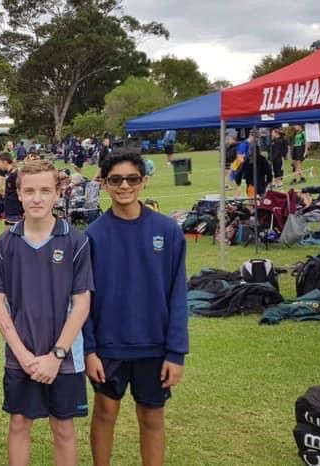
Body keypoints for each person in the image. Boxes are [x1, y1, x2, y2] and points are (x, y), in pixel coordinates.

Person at [0, 159, 93, 466]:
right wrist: (22, 354)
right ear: (18, 193)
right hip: (22, 356)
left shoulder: (75, 241)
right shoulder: (6, 244)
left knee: (63, 427)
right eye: (29, 190)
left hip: (65, 357)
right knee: (19, 423)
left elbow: (82, 303)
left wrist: (56, 355)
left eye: (45, 190)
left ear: (58, 192)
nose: (37, 198)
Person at [84, 151, 188, 466]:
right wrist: (89, 349)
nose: (124, 185)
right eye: (116, 179)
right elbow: (82, 299)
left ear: (143, 181)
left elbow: (177, 293)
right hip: (109, 346)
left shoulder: (168, 231)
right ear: (103, 184)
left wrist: (176, 352)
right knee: (105, 413)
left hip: (154, 347)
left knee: (152, 417)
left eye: (132, 178)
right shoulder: (93, 236)